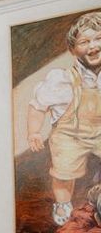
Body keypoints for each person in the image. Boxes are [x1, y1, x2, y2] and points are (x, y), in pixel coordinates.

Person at [27, 12, 101, 225]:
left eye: (98, 38)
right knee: (63, 172)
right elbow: (38, 106)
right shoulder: (62, 79)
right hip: (70, 135)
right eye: (84, 41)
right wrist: (33, 132)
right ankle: (62, 202)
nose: (93, 45)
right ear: (73, 49)